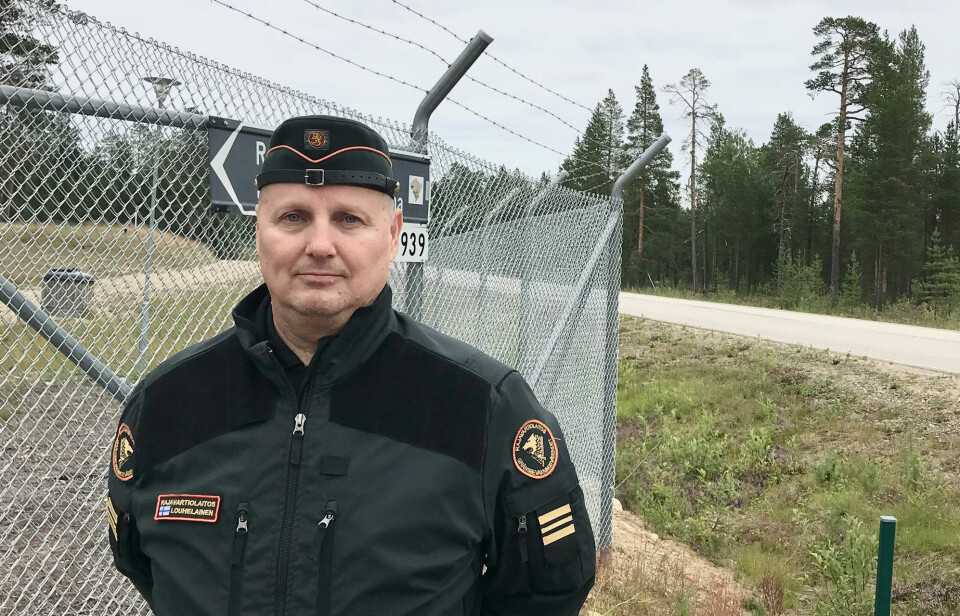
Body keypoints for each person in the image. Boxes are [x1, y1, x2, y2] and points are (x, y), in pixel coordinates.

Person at [106, 115, 596, 616]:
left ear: (393, 234)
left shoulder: (481, 405)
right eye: (293, 217)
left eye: (349, 220)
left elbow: (547, 588)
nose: (320, 245)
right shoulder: (165, 403)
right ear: (260, 231)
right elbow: (143, 563)